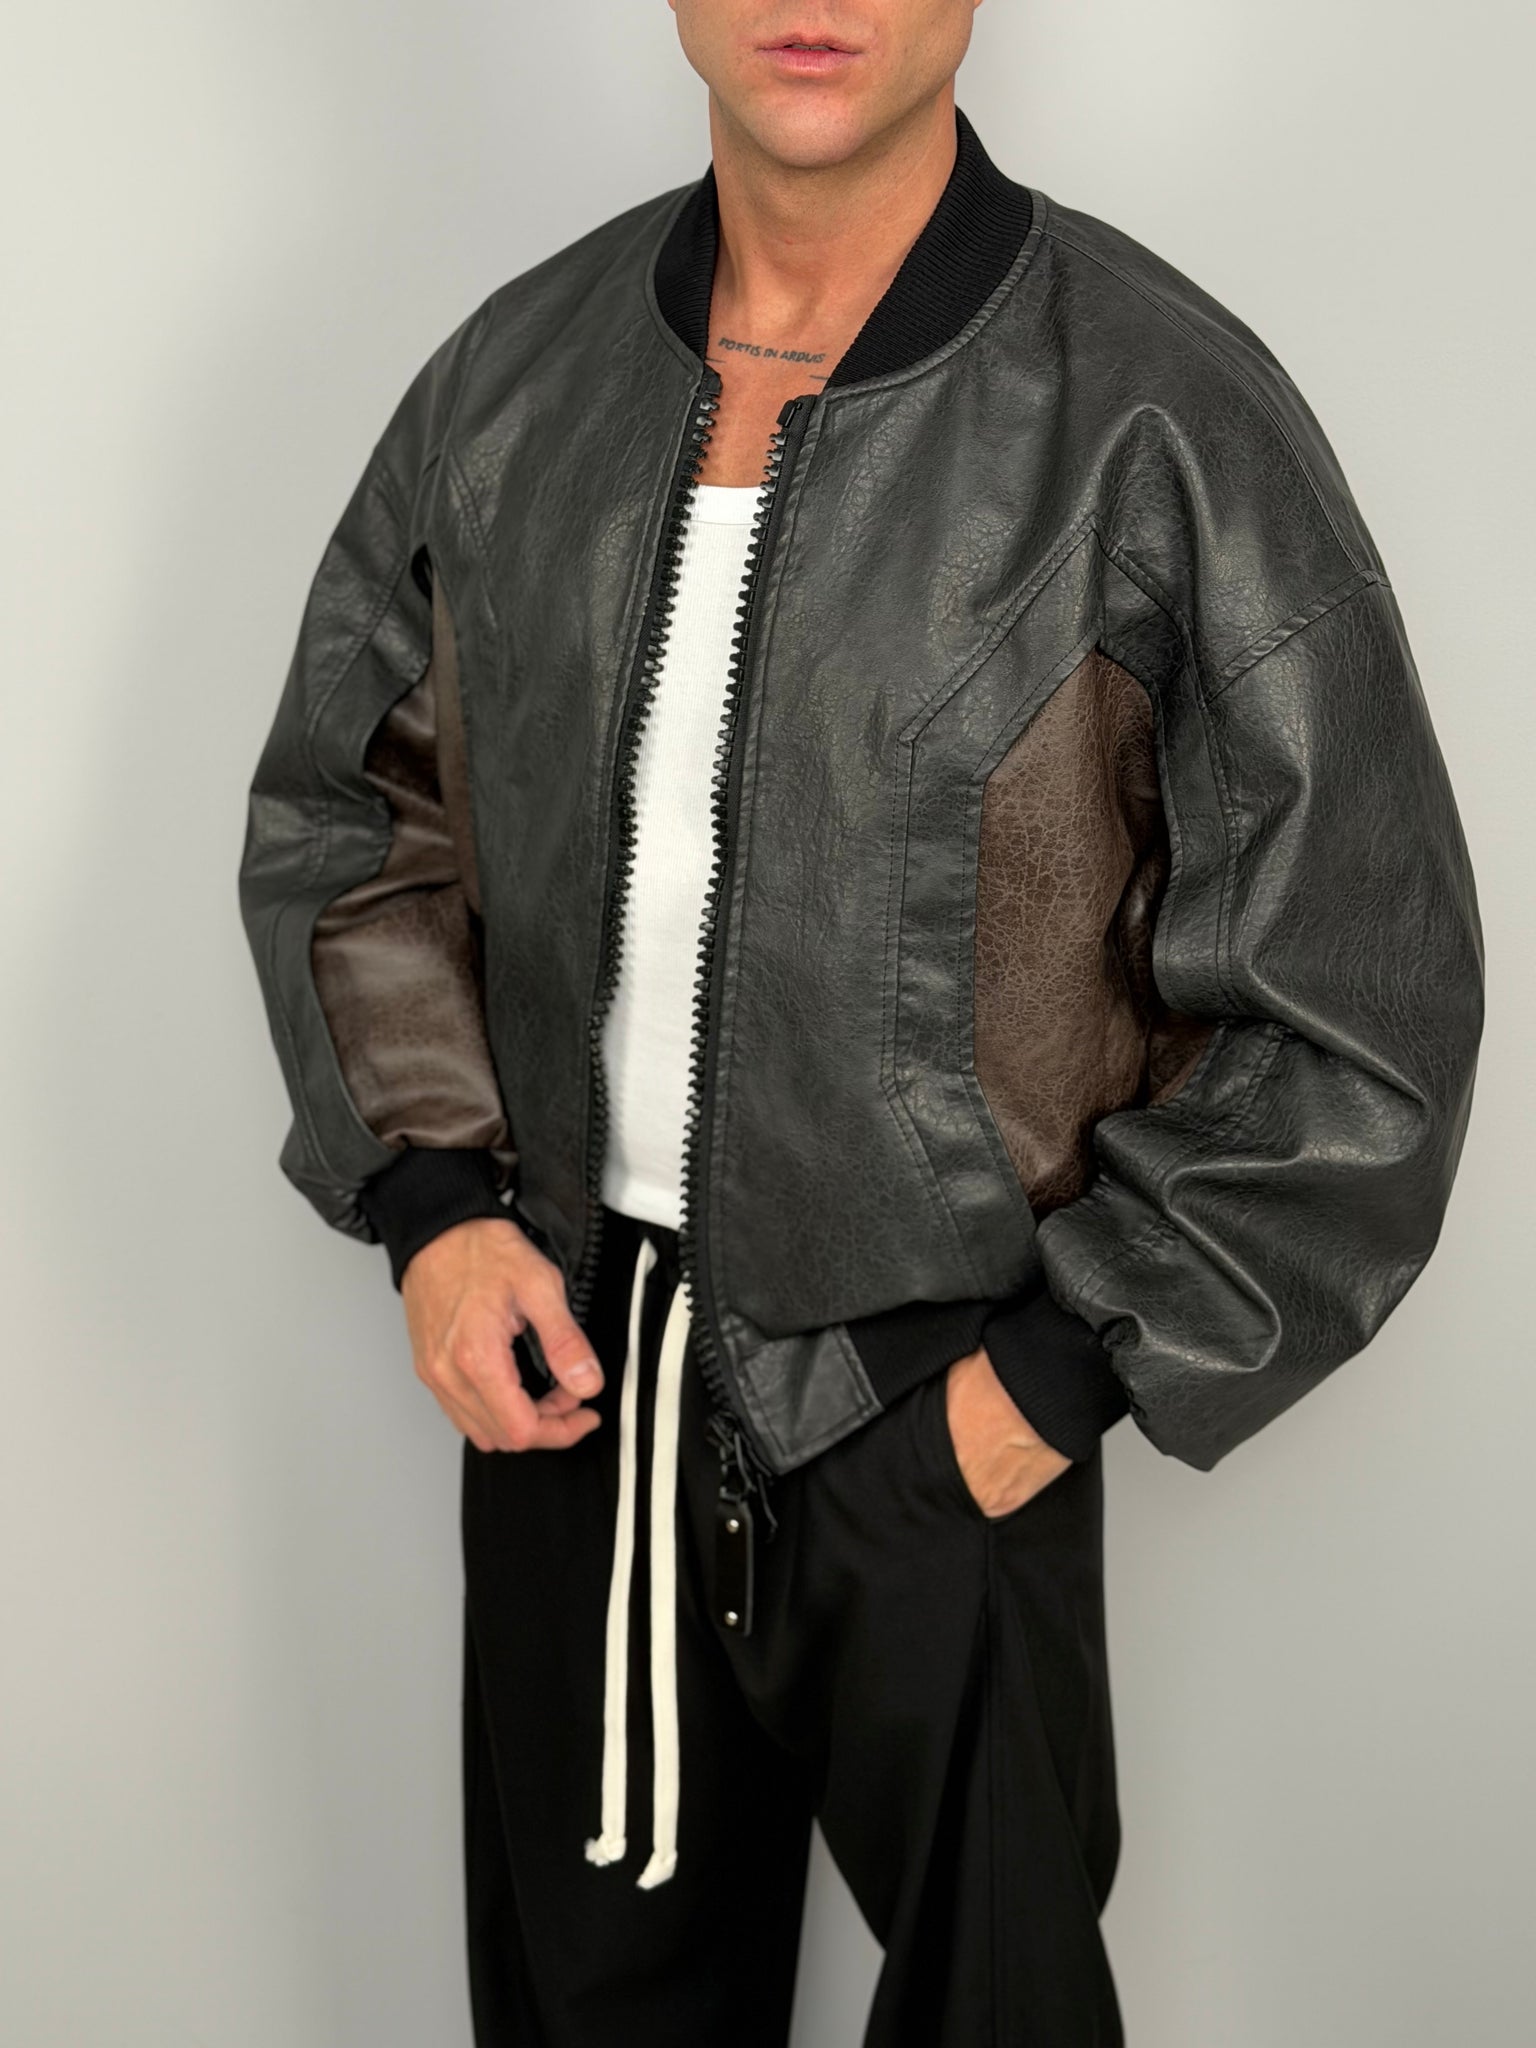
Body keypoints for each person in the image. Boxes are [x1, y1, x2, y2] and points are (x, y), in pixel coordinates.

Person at [238, 3, 1485, 2041]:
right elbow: (353, 815)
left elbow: (1360, 980)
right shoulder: (515, 382)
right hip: (573, 1388)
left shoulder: (1156, 413)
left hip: (937, 1412)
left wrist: (1055, 1375)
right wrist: (437, 1207)